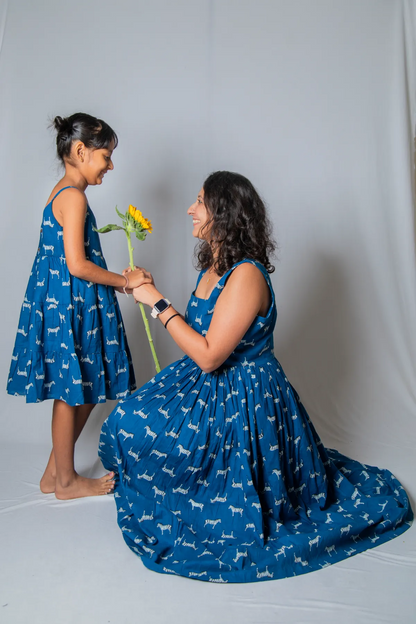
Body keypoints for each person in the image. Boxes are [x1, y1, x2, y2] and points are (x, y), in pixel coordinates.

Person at [99, 171, 412, 583]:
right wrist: (152, 292)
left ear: (224, 213)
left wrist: (156, 302)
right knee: (126, 420)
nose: (190, 210)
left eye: (199, 202)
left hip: (246, 397)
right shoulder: (213, 265)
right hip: (207, 386)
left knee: (221, 503)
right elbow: (197, 342)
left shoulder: (245, 275)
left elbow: (210, 356)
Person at [7, 113, 151, 500]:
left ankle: (54, 473)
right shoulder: (73, 197)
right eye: (106, 155)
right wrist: (126, 282)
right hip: (68, 307)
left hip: (70, 304)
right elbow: (76, 264)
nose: (110, 165)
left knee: (83, 387)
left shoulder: (63, 193)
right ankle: (67, 482)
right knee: (72, 392)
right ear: (80, 151)